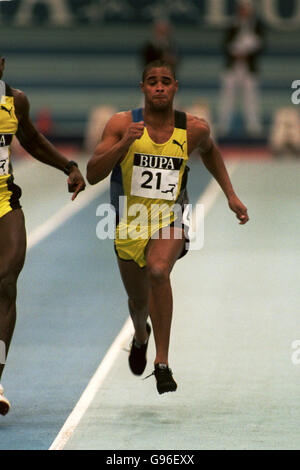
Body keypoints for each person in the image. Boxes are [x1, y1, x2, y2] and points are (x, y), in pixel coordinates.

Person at [86, 59, 249, 395]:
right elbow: (92, 173)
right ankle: (141, 335)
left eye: (165, 81)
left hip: (169, 219)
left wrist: (231, 194)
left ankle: (162, 363)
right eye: (152, 81)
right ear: (143, 88)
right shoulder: (121, 124)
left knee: (159, 271)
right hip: (128, 223)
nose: (159, 87)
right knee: (137, 301)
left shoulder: (194, 129)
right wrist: (123, 145)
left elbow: (211, 152)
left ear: (175, 87)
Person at [0, 55, 86, 415]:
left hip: (3, 199)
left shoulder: (14, 100)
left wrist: (67, 165)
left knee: (5, 282)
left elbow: (31, 139)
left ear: (1, 65)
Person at [217, 0, 265, 137]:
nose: (244, 12)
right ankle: (223, 125)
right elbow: (224, 44)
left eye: (246, 9)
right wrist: (235, 52)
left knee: (251, 97)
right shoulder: (232, 25)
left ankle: (253, 126)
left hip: (249, 67)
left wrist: (247, 52)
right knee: (227, 96)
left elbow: (261, 45)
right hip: (232, 67)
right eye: (241, 9)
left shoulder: (257, 26)